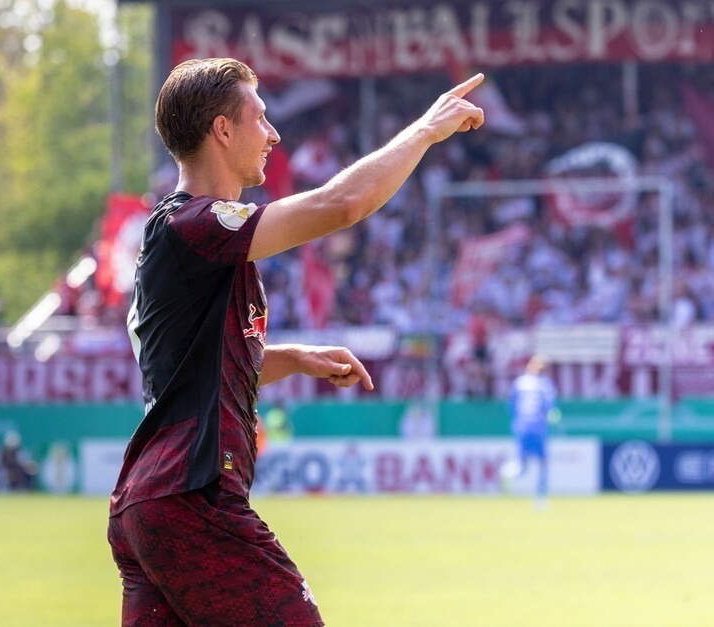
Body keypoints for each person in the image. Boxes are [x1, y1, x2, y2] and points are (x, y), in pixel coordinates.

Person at [107, 57, 484, 625]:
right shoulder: (195, 225)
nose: (274, 134)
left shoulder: (179, 237)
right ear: (223, 130)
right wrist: (426, 129)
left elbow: (180, 370)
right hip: (191, 500)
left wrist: (290, 359)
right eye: (260, 118)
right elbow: (342, 205)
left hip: (149, 504)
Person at [502, 355, 560, 510]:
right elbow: (550, 410)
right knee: (543, 464)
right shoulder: (545, 385)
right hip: (538, 427)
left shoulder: (519, 383)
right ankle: (540, 500)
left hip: (521, 426)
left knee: (522, 466)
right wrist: (554, 419)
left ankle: (507, 473)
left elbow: (510, 406)